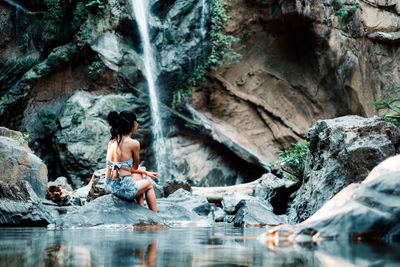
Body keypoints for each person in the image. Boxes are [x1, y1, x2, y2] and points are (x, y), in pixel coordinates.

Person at [104, 110, 158, 212]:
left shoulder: (112, 140)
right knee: (148, 184)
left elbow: (121, 167)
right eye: (135, 121)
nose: (137, 124)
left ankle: (141, 209)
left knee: (138, 176)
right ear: (132, 124)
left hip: (108, 186)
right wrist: (144, 173)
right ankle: (155, 216)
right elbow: (134, 167)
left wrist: (145, 172)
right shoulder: (133, 143)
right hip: (122, 190)